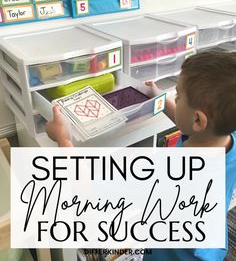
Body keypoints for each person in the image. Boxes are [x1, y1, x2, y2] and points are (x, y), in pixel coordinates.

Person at [46, 49, 236, 261]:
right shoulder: (228, 138)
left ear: (199, 120)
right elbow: (191, 126)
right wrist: (161, 100)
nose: (176, 96)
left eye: (179, 95)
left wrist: (62, 139)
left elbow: (85, 187)